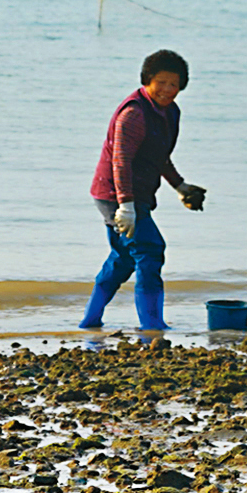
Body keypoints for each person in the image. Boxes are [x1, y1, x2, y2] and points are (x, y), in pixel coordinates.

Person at [79, 49, 208, 332]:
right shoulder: (134, 114)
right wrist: (126, 206)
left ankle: (90, 321)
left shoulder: (169, 112)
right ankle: (152, 326)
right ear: (147, 80)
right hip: (114, 193)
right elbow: (120, 161)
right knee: (150, 250)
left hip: (135, 193)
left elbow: (158, 154)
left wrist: (180, 185)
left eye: (173, 84)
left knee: (123, 259)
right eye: (160, 82)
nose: (166, 90)